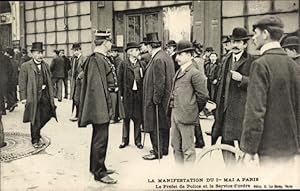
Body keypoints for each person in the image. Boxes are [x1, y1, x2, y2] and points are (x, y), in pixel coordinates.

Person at [240, 16, 300, 166]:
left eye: (255, 34)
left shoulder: (260, 65)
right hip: (290, 147)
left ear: (265, 34)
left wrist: (250, 149)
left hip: (268, 148)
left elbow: (255, 111)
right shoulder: (293, 65)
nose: (253, 38)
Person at [78, 30, 117, 184]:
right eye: (109, 41)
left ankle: (97, 167)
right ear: (104, 43)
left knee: (99, 137)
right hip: (100, 106)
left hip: (104, 104)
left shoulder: (100, 58)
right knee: (100, 139)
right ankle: (99, 173)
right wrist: (104, 110)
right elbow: (96, 88)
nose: (111, 44)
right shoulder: (96, 60)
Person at [211, 27, 255, 165]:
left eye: (239, 42)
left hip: (241, 111)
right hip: (225, 110)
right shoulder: (226, 59)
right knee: (225, 142)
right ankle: (231, 171)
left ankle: (241, 171)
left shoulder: (252, 61)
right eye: (233, 41)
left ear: (245, 44)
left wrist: (242, 79)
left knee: (244, 145)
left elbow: (257, 83)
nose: (235, 45)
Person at [169, 40, 208, 164]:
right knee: (176, 147)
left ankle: (188, 176)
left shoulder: (194, 73)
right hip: (175, 115)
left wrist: (193, 110)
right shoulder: (179, 71)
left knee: (188, 150)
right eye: (177, 54)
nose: (177, 57)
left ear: (190, 55)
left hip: (187, 117)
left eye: (181, 54)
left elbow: (203, 96)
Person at [142, 32, 175, 160]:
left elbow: (159, 82)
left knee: (155, 125)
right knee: (163, 125)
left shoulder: (157, 59)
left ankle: (157, 151)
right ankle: (164, 149)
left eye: (147, 46)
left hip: (157, 100)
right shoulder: (164, 56)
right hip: (165, 99)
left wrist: (156, 98)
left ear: (150, 46)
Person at [19, 42, 56, 148]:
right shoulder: (25, 66)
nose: (41, 56)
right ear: (33, 54)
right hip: (32, 96)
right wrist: (23, 97)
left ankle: (37, 132)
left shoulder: (45, 65)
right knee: (35, 117)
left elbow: (49, 80)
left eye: (42, 53)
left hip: (44, 95)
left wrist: (51, 93)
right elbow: (22, 82)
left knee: (48, 113)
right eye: (38, 53)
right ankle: (35, 139)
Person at [118, 42, 145, 149]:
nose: (138, 52)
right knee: (126, 118)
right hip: (127, 95)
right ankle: (125, 140)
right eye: (136, 50)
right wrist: (120, 94)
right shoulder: (123, 64)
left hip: (138, 95)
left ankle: (138, 141)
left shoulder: (141, 64)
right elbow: (119, 80)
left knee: (138, 118)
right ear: (130, 52)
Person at [107, 45, 124, 123]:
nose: (111, 53)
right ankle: (116, 116)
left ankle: (114, 117)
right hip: (114, 83)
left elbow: (118, 73)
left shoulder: (118, 60)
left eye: (113, 52)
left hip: (116, 83)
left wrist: (117, 84)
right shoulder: (113, 59)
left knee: (114, 101)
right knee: (114, 101)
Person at [69, 43, 86, 122]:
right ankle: (76, 114)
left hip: (81, 81)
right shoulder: (73, 59)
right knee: (75, 98)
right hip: (74, 81)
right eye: (74, 51)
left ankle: (79, 115)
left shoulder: (84, 58)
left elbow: (85, 69)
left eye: (77, 50)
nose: (75, 52)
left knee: (79, 98)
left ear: (80, 50)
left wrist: (80, 76)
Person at [4, 48, 19, 112]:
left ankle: (11, 103)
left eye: (5, 52)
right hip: (15, 78)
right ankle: (10, 104)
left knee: (7, 92)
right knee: (12, 91)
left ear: (8, 53)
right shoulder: (15, 61)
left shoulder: (7, 61)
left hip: (9, 79)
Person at [0, 45, 12, 115]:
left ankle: (2, 110)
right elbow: (10, 70)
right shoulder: (6, 58)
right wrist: (8, 78)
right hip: (5, 79)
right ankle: (3, 110)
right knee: (2, 94)